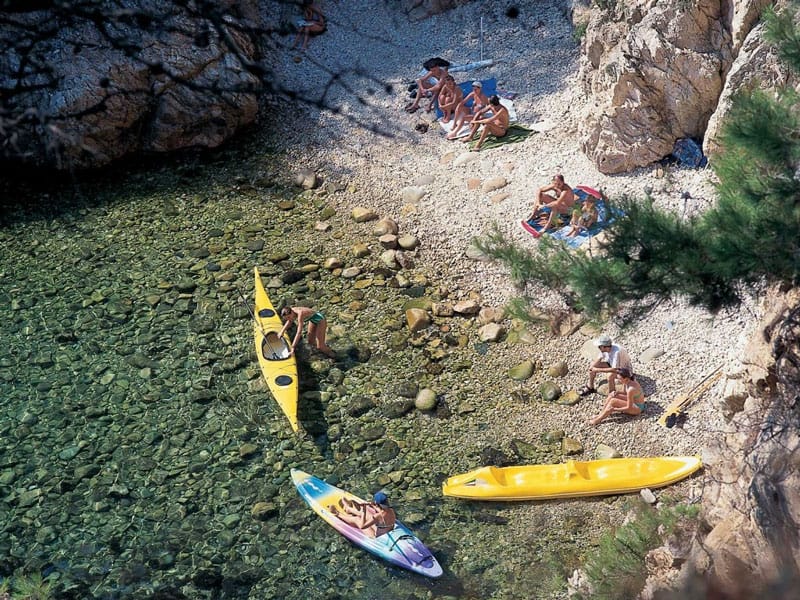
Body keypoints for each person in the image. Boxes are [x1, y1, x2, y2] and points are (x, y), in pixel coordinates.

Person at [329, 492, 397, 538]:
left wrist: (364, 510)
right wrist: (372, 505)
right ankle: (348, 509)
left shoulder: (378, 516)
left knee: (357, 519)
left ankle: (337, 514)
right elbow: (382, 512)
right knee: (369, 514)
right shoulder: (391, 510)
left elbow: (362, 526)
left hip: (376, 536)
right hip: (385, 530)